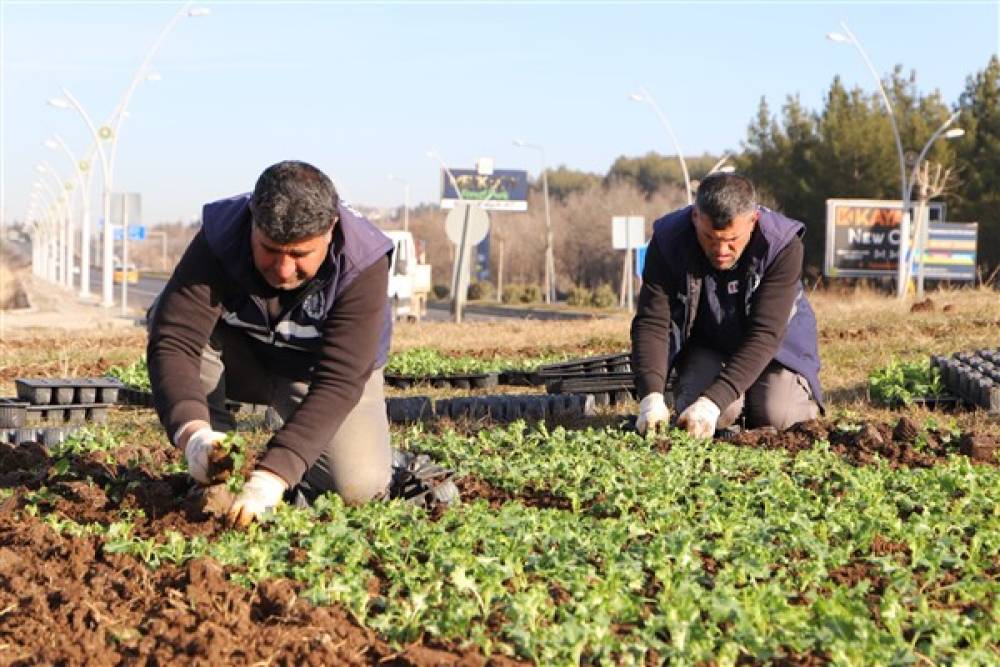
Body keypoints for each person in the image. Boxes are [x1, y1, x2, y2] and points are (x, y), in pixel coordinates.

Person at [147, 160, 395, 527]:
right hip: (241, 361)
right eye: (270, 249)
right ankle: (213, 471)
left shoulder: (361, 263)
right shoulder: (220, 237)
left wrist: (274, 475)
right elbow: (176, 339)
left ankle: (324, 458)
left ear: (330, 230)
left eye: (298, 255)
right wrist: (193, 435)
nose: (282, 269)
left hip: (315, 375)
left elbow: (340, 381)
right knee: (167, 314)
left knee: (357, 488)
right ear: (252, 221)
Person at [631, 173, 822, 438]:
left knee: (779, 416)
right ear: (695, 218)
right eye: (710, 237)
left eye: (732, 240)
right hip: (708, 344)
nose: (721, 250)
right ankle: (728, 402)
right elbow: (652, 322)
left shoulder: (782, 245)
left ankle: (770, 397)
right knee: (708, 416)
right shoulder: (667, 241)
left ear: (753, 221)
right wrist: (650, 396)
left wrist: (711, 402)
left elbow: (766, 334)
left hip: (776, 349)